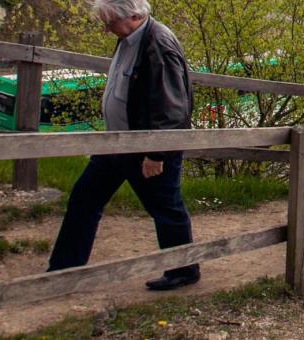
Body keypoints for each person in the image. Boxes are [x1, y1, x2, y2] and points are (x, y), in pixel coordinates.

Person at [47, 0, 198, 291]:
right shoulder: (129, 39)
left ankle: (184, 269)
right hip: (117, 143)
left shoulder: (158, 45)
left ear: (133, 15)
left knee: (166, 207)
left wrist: (156, 153)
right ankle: (64, 270)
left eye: (110, 22)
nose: (106, 30)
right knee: (84, 198)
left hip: (145, 148)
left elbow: (172, 109)